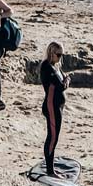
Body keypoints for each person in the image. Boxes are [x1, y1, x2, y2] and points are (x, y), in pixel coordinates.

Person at [40, 41, 71, 176]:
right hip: (51, 106)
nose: (60, 57)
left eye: (62, 55)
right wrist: (66, 81)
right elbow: (61, 85)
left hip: (58, 105)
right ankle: (50, 171)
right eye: (58, 55)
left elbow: (65, 80)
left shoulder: (56, 66)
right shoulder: (47, 67)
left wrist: (66, 81)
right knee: (52, 138)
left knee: (55, 137)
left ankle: (50, 167)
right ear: (51, 53)